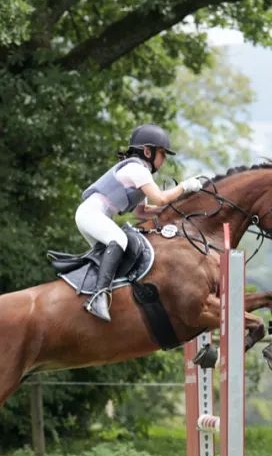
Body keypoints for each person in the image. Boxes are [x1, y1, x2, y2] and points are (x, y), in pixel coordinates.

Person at [75, 123, 205, 321]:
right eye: (162, 153)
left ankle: (104, 296)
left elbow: (142, 212)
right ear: (147, 151)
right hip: (90, 214)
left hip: (93, 216)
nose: (164, 159)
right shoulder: (137, 169)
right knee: (119, 240)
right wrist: (185, 187)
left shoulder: (139, 172)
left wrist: (177, 210)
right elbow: (160, 199)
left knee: (115, 263)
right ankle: (98, 298)